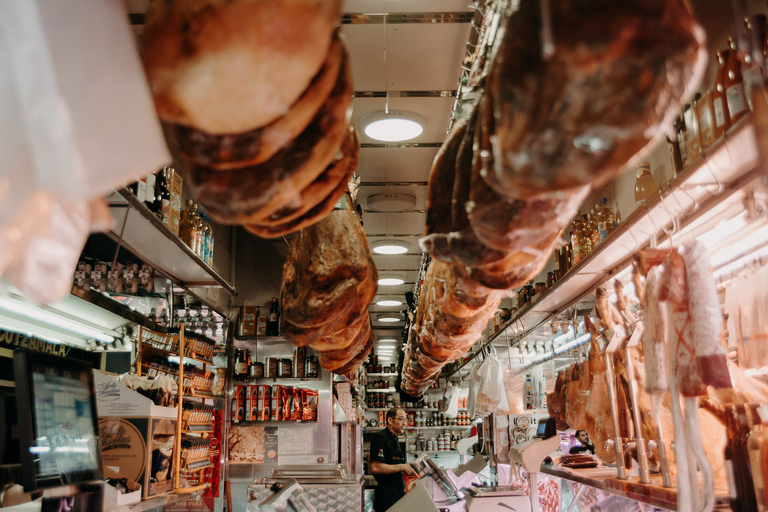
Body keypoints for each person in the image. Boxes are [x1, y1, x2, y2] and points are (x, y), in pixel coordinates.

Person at [369, 407, 416, 512]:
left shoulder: (395, 438)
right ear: (390, 420)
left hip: (397, 492)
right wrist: (402, 467)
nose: (404, 423)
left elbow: (394, 464)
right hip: (386, 495)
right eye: (401, 419)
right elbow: (375, 467)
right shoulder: (380, 438)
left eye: (405, 420)